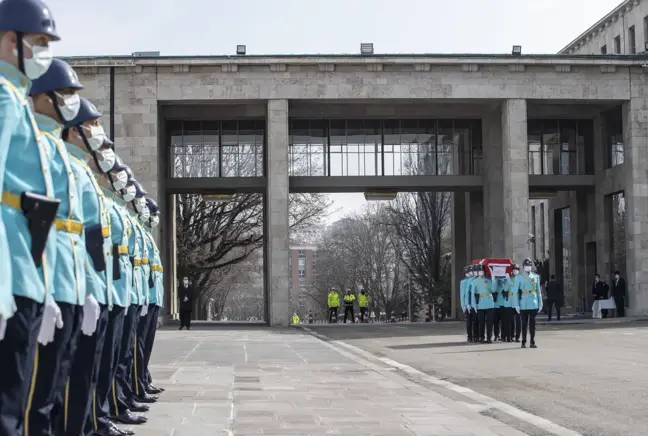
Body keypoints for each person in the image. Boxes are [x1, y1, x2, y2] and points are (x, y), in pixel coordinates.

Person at [0, 1, 62, 434]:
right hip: (12, 272)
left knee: (19, 401)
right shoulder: (4, 96)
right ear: (9, 39)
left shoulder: (14, 98)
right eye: (38, 42)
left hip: (26, 270)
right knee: (10, 409)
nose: (43, 51)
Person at [28, 57, 98, 436]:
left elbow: (78, 233)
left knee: (59, 381)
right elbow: (33, 218)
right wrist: (43, 285)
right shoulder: (35, 140)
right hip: (43, 281)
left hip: (69, 282)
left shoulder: (65, 159)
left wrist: (86, 287)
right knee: (35, 396)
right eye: (66, 93)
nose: (71, 101)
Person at [512, 258, 542, 348]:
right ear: (523, 267)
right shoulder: (519, 277)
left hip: (533, 302)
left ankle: (532, 341)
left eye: (529, 266)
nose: (528, 267)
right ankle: (523, 341)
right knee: (524, 324)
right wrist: (516, 304)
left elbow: (538, 291)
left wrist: (540, 303)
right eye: (526, 266)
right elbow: (515, 292)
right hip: (523, 303)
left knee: (533, 324)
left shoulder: (536, 277)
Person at [470, 264, 495, 343]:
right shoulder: (474, 282)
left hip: (489, 302)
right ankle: (481, 337)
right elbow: (473, 295)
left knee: (490, 322)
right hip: (480, 303)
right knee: (481, 322)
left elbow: (493, 290)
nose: (481, 272)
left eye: (482, 270)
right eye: (480, 271)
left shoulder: (488, 280)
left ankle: (489, 337)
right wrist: (474, 305)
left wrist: (493, 278)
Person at [459, 265, 473, 342]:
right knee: (469, 322)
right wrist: (463, 305)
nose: (469, 273)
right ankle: (469, 336)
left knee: (475, 321)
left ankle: (475, 336)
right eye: (467, 272)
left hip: (474, 303)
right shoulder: (463, 282)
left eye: (470, 271)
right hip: (467, 304)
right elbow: (462, 294)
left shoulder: (475, 280)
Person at [510, 264, 522, 342]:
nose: (515, 270)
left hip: (519, 301)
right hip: (511, 301)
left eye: (517, 269)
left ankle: (517, 336)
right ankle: (511, 335)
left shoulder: (521, 278)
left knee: (518, 321)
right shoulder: (509, 279)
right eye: (514, 269)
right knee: (511, 321)